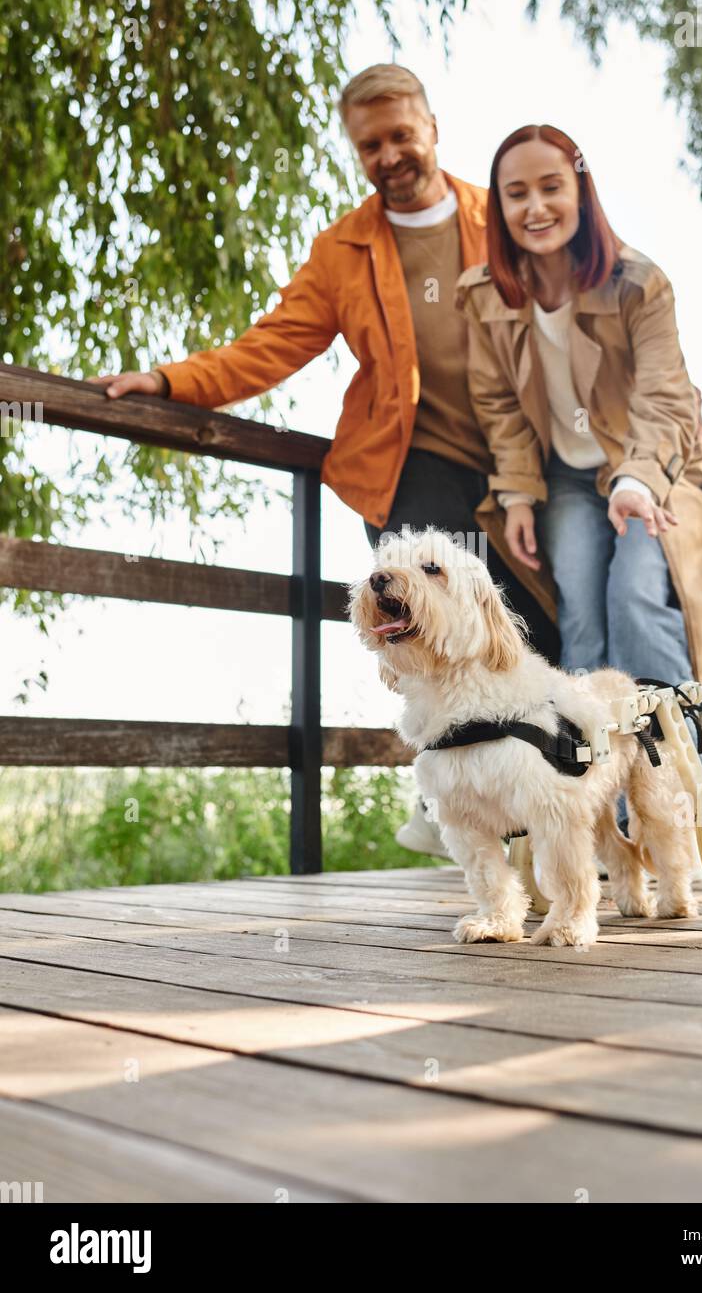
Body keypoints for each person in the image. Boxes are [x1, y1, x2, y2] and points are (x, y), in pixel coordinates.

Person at [86, 65, 560, 858]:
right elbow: (269, 348)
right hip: (411, 463)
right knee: (430, 616)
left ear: (433, 128)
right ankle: (444, 790)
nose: (390, 155)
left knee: (538, 626)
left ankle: (553, 804)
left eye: (402, 136)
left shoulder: (497, 217)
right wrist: (172, 382)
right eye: (370, 145)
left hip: (519, 461)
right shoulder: (344, 250)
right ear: (358, 151)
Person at [455, 124, 702, 835]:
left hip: (658, 467)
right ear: (500, 207)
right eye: (517, 193)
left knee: (636, 597)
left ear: (581, 192)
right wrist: (516, 493)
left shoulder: (639, 282)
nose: (536, 206)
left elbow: (666, 397)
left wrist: (636, 481)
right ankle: (593, 807)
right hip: (568, 479)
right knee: (580, 618)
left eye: (552, 187)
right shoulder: (483, 294)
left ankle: (677, 794)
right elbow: (498, 405)